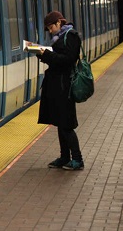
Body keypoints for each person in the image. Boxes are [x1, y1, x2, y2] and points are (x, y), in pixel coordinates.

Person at [37, 11, 84, 170]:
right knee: (59, 122)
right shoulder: (60, 38)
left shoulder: (71, 36)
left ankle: (77, 159)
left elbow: (68, 60)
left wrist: (48, 55)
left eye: (51, 27)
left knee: (66, 124)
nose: (50, 31)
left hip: (65, 86)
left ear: (59, 22)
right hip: (57, 85)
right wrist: (42, 54)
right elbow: (57, 59)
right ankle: (65, 157)